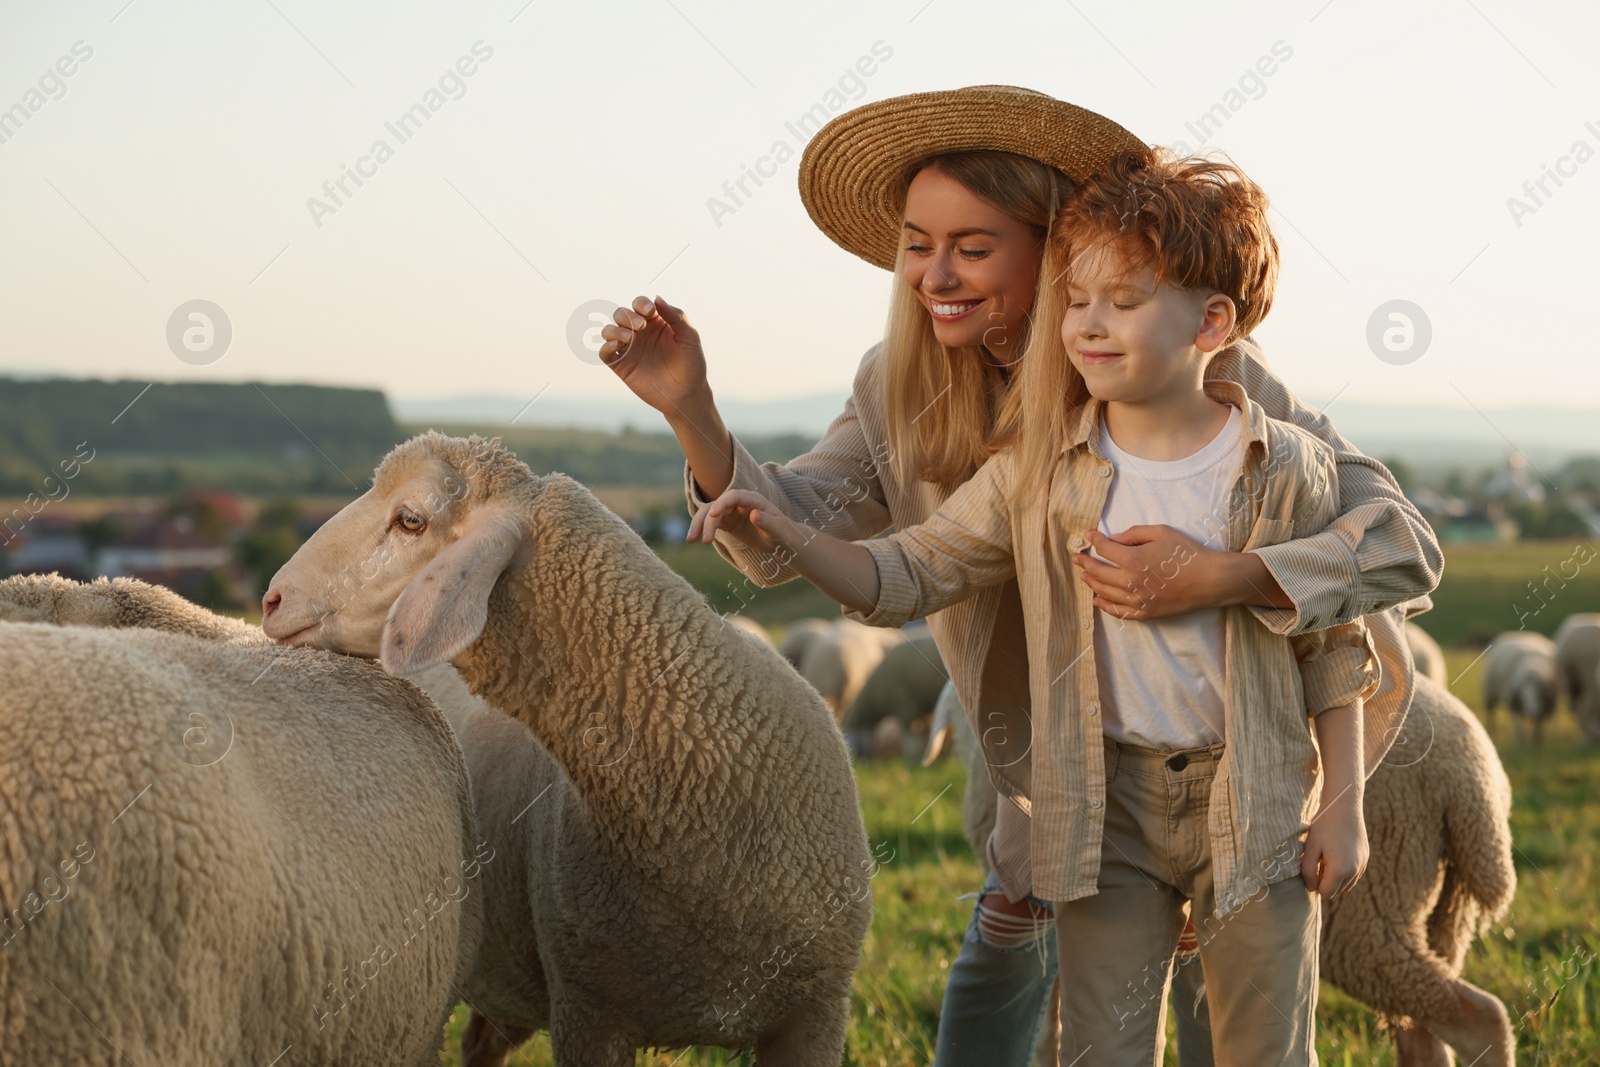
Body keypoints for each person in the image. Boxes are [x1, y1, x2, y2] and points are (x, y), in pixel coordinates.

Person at [600, 86, 1441, 1065]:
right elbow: (805, 535)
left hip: (1237, 746)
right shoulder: (897, 383)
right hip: (1048, 745)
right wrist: (692, 409)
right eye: (918, 243)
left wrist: (1221, 572)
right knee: (1021, 910)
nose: (933, 273)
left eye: (972, 245)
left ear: (1055, 242)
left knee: (1234, 999)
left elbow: (1396, 538)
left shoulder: (1203, 367)